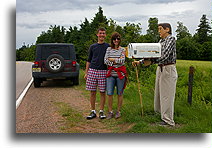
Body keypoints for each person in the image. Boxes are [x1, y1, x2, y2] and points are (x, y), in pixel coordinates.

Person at [132, 23, 178, 126]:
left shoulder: (171, 39)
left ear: (167, 29)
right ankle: (160, 116)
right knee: (159, 94)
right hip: (160, 68)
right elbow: (153, 53)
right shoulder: (161, 41)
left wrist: (150, 60)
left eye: (160, 29)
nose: (159, 31)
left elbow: (164, 55)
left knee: (167, 96)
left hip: (168, 68)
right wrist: (140, 62)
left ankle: (168, 121)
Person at [85, 27, 110, 120]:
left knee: (102, 92)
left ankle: (101, 111)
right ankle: (92, 111)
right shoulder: (93, 46)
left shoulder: (108, 46)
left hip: (103, 71)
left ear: (105, 35)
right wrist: (86, 72)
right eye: (100, 33)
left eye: (103, 33)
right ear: (97, 34)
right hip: (92, 70)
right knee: (92, 92)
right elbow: (89, 60)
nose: (102, 35)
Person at [104, 32, 127, 119]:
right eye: (114, 39)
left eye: (118, 39)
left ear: (120, 40)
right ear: (112, 40)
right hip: (110, 74)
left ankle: (118, 111)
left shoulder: (123, 50)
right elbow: (105, 61)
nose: (116, 40)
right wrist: (116, 60)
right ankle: (110, 111)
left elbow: (122, 61)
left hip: (120, 74)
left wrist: (112, 59)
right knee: (109, 93)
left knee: (120, 93)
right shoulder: (108, 49)